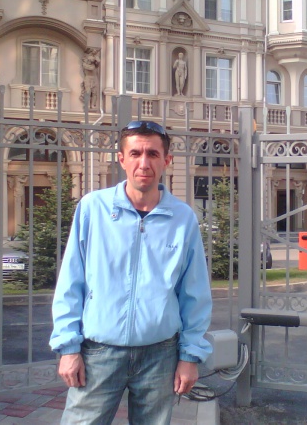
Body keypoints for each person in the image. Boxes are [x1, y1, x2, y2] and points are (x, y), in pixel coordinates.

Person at [50, 120, 212, 424]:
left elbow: (195, 293)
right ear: (121, 159)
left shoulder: (182, 218)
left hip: (160, 355)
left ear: (166, 160)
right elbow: (72, 281)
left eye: (153, 154)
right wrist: (68, 347)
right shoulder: (93, 209)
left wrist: (190, 356)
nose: (144, 163)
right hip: (98, 352)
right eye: (135, 153)